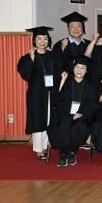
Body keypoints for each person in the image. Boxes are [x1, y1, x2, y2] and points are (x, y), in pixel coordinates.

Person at [17, 26, 62, 159]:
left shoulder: (53, 56)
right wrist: (32, 58)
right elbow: (26, 75)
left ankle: (45, 146)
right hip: (36, 94)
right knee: (37, 120)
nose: (42, 41)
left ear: (49, 40)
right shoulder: (27, 57)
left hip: (51, 93)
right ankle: (39, 150)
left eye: (45, 38)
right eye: (39, 38)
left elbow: (59, 73)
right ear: (34, 40)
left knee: (49, 119)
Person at [48, 56, 99, 167]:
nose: (79, 70)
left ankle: (71, 152)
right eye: (77, 67)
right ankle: (63, 153)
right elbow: (57, 100)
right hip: (65, 114)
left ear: (86, 71)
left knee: (78, 126)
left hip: (82, 116)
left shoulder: (91, 86)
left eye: (83, 68)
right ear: (73, 68)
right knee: (63, 124)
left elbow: (93, 104)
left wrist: (81, 113)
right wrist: (62, 81)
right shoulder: (66, 82)